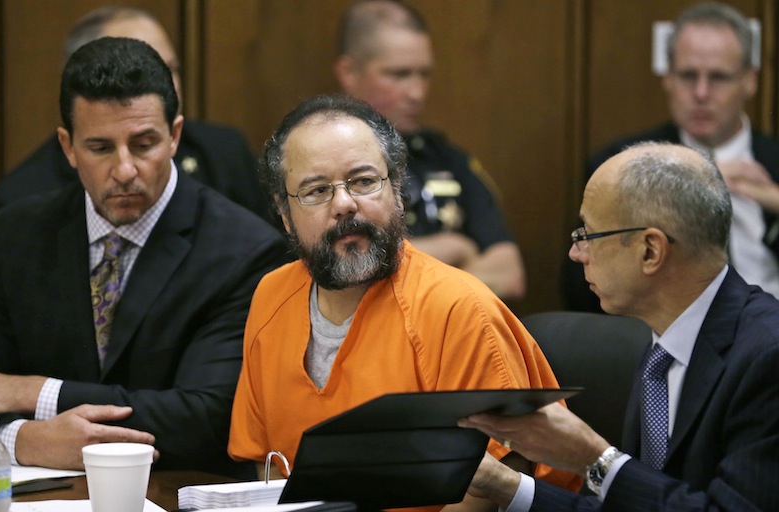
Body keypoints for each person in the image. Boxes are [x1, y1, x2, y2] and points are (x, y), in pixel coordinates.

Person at [227, 94, 581, 510]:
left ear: (396, 189)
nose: (344, 204)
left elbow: (489, 488)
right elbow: (268, 469)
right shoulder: (271, 296)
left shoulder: (459, 309)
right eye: (317, 190)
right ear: (284, 213)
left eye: (362, 182)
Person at [0, 37, 288, 479]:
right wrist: (22, 440)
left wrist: (35, 393)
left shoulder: (243, 249)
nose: (124, 170)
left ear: (175, 135)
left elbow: (204, 417)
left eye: (143, 144)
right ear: (67, 147)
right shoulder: (18, 234)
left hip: (174, 491)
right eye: (100, 148)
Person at [461, 142, 779, 511]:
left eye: (588, 235)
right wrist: (506, 485)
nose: (576, 253)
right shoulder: (664, 347)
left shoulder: (768, 356)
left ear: (650, 251)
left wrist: (596, 459)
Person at [0, 6, 277, 256]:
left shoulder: (223, 153)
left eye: (168, 69)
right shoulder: (18, 208)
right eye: (136, 71)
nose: (124, 170)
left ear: (173, 136)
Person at [564, 2, 779, 311]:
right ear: (668, 78)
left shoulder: (773, 164)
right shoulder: (620, 164)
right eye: (688, 76)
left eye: (718, 77)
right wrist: (697, 185)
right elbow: (578, 288)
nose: (702, 93)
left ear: (750, 80)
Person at [333, 0, 526, 303]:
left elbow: (509, 274)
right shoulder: (319, 166)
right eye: (399, 74)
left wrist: (396, 272)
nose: (417, 93)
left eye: (424, 74)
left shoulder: (448, 160)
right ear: (349, 72)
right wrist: (452, 247)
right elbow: (342, 274)